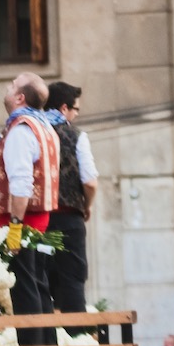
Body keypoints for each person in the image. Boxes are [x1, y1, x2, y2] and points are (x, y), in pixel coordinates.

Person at [0, 70, 60, 333]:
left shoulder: (21, 130)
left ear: (20, 98)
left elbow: (21, 184)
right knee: (39, 283)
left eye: (11, 85)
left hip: (21, 221)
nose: (7, 88)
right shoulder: (44, 127)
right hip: (41, 220)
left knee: (24, 285)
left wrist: (15, 229)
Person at [45, 77, 98, 314]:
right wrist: (86, 205)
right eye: (75, 109)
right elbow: (90, 182)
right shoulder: (77, 136)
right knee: (72, 278)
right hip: (68, 221)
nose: (76, 115)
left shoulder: (32, 133)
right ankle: (77, 342)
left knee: (46, 277)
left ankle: (48, 340)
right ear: (64, 108)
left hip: (42, 222)